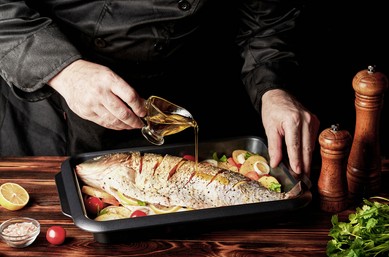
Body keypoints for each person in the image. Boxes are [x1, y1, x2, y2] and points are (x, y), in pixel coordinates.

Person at [0, 0, 319, 177]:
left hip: (156, 114)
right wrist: (65, 71)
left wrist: (273, 89)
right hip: (38, 106)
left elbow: (266, 26)